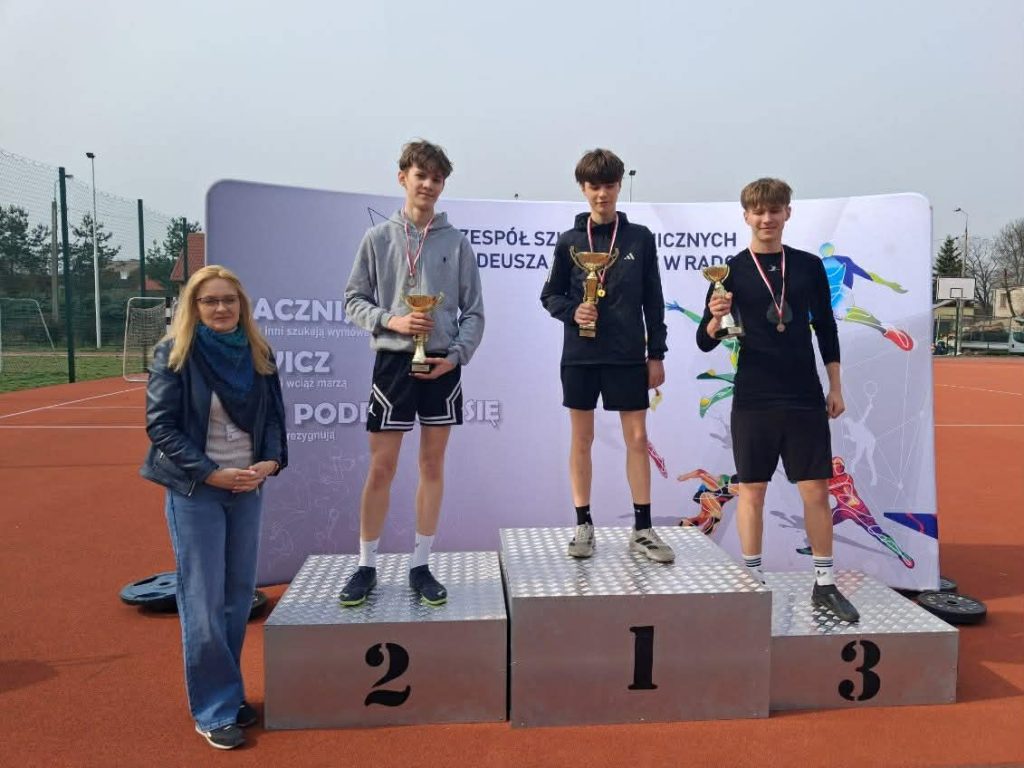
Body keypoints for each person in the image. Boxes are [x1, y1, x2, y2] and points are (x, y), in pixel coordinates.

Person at [696, 177, 859, 622]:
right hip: (754, 397)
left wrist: (835, 386)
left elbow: (826, 327)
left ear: (788, 213)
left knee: (816, 491)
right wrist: (713, 319)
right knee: (752, 491)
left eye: (774, 210)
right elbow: (705, 342)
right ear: (745, 216)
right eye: (758, 211)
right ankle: (752, 581)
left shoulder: (807, 266)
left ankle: (824, 584)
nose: (766, 218)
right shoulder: (729, 271)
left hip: (804, 395)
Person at [140, 265, 287, 750]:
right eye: (210, 301)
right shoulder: (175, 354)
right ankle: (215, 708)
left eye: (229, 300)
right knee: (203, 599)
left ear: (241, 305)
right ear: (194, 307)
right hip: (196, 490)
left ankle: (227, 688)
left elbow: (273, 419)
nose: (221, 308)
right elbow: (161, 427)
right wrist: (209, 472)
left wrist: (269, 462)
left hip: (247, 488)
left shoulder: (258, 352)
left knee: (237, 595)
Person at [339, 139, 484, 607]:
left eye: (437, 178)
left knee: (432, 465)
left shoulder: (456, 242)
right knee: (382, 467)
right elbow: (353, 300)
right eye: (421, 176)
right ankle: (366, 565)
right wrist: (392, 321)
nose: (428, 185)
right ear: (403, 177)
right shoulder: (377, 239)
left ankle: (421, 564)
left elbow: (474, 313)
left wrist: (456, 356)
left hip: (441, 365)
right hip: (393, 364)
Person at [541, 148, 673, 563]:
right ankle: (583, 524)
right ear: (583, 189)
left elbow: (654, 300)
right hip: (580, 355)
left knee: (637, 439)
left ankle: (643, 529)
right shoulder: (569, 241)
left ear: (619, 187)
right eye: (594, 186)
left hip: (628, 355)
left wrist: (656, 354)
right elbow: (550, 295)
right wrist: (573, 311)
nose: (602, 194)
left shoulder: (640, 238)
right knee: (582, 439)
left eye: (609, 186)